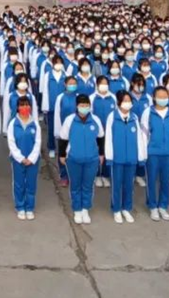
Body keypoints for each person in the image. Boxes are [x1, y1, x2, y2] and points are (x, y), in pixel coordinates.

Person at [60, 94, 103, 224]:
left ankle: (85, 209)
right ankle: (77, 209)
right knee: (75, 185)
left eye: (86, 105)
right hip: (73, 159)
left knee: (88, 185)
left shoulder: (95, 120)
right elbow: (63, 139)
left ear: (90, 106)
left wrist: (101, 154)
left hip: (92, 159)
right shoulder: (69, 120)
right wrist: (62, 155)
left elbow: (101, 138)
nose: (84, 107)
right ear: (77, 106)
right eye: (82, 105)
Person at [141, 87, 169, 221]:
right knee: (151, 180)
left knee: (165, 181)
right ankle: (153, 206)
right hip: (153, 153)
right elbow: (144, 135)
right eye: (160, 96)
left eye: (165, 96)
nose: (163, 99)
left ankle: (163, 206)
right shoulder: (148, 112)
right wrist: (144, 153)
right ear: (154, 97)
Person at [105, 91, 144, 224]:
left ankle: (127, 208)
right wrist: (109, 156)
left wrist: (140, 156)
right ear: (119, 102)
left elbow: (139, 138)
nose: (128, 103)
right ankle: (116, 209)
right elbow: (108, 138)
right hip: (117, 158)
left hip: (131, 158)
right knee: (117, 184)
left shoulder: (134, 117)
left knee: (129, 185)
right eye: (125, 101)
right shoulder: (112, 117)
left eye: (129, 101)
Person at [7, 96, 41, 220]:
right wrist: (20, 158)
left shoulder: (35, 124)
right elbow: (11, 142)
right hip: (18, 160)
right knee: (19, 184)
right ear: (17, 107)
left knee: (31, 184)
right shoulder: (13, 124)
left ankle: (30, 208)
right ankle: (20, 207)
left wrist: (31, 158)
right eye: (22, 105)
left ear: (30, 107)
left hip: (33, 160)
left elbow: (38, 142)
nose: (24, 107)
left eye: (27, 105)